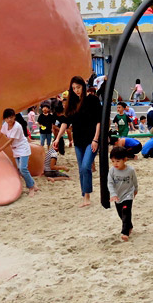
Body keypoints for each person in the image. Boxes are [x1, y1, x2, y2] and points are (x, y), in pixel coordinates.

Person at [55, 75, 102, 206]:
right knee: (82, 169)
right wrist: (58, 138)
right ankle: (85, 196)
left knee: (86, 166)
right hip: (78, 140)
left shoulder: (92, 99)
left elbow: (99, 121)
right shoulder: (71, 103)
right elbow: (65, 122)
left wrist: (96, 139)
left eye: (78, 87)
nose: (76, 90)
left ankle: (86, 196)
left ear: (83, 86)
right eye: (74, 88)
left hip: (91, 139)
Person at [0, 108, 38, 196]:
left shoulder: (17, 126)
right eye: (7, 118)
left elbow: (10, 140)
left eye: (11, 117)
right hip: (15, 149)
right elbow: (1, 133)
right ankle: (33, 184)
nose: (9, 120)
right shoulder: (5, 124)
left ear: (14, 117)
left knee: (23, 168)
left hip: (23, 148)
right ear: (4, 119)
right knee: (21, 170)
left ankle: (31, 187)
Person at [108, 146, 139, 241]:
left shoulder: (130, 170)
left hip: (128, 195)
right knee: (121, 214)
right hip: (117, 196)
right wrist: (113, 194)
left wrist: (136, 189)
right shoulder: (112, 171)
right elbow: (110, 183)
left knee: (126, 211)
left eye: (117, 161)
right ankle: (129, 226)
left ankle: (125, 232)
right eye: (113, 161)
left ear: (124, 159)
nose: (115, 164)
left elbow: (135, 181)